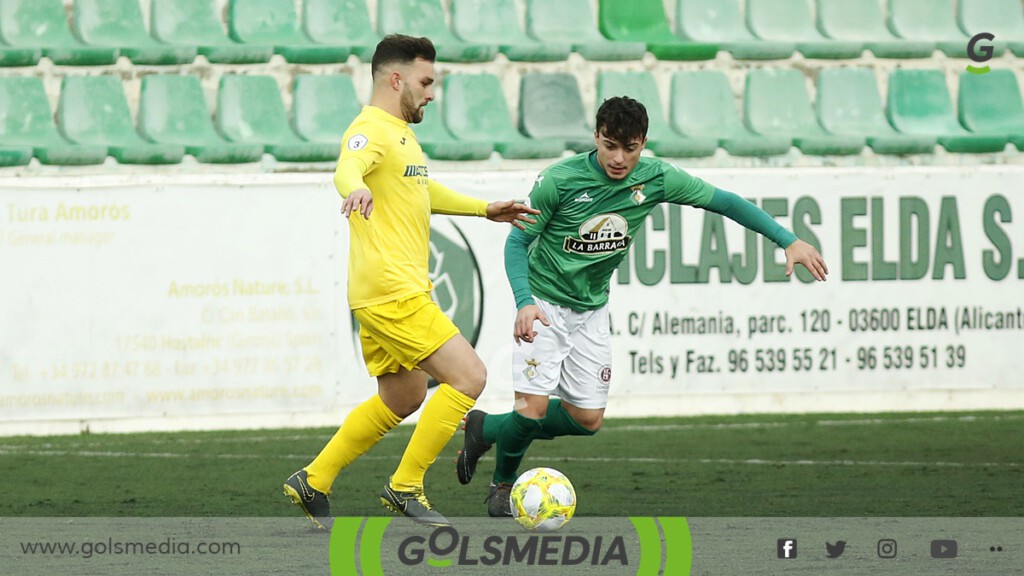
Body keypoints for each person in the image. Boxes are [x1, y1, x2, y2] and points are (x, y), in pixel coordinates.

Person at [456, 96, 829, 517]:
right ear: (596, 137)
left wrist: (788, 240)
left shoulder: (656, 178)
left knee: (587, 420)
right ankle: (502, 485)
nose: (619, 158)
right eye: (610, 146)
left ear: (643, 143)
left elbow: (725, 201)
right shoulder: (559, 181)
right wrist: (524, 302)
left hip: (591, 309)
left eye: (629, 148)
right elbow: (517, 242)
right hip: (543, 304)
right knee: (532, 410)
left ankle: (485, 426)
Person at [283, 34, 538, 529]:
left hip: (386, 291)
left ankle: (313, 479)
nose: (432, 93)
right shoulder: (370, 129)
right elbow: (348, 167)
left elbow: (421, 190)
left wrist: (484, 209)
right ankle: (405, 486)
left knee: (403, 397)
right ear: (396, 79)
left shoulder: (401, 133)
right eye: (426, 82)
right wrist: (355, 188)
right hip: (392, 291)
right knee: (470, 376)